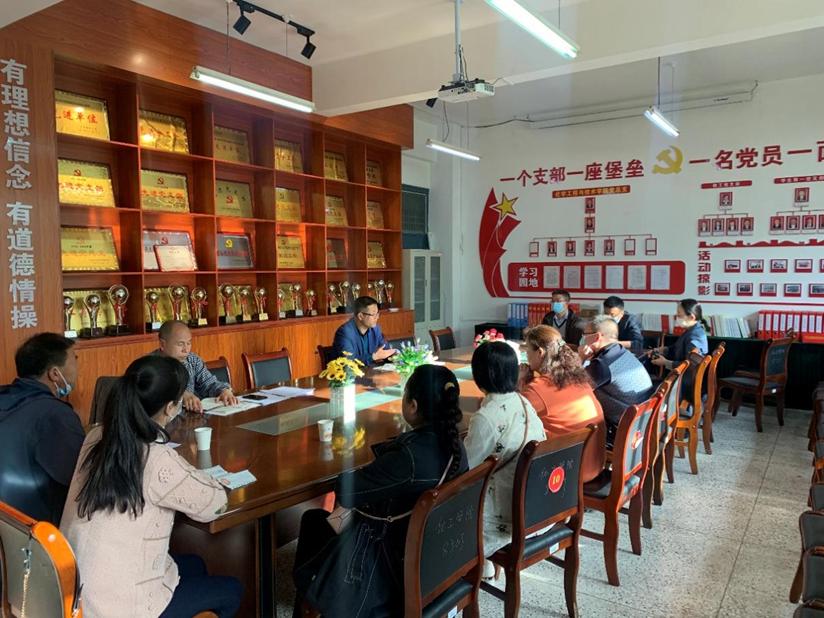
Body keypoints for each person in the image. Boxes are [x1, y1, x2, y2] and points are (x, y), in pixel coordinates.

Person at [60, 355, 241, 618]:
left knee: (195, 564)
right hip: (119, 607)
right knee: (232, 589)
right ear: (170, 408)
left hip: (76, 590)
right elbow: (214, 504)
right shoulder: (156, 458)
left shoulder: (95, 436)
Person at [292, 364, 468, 616]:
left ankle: (313, 599)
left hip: (387, 566)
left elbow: (347, 492)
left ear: (412, 406)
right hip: (435, 559)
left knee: (314, 521)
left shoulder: (408, 458)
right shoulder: (456, 446)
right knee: (319, 522)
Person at [464, 341, 545, 561]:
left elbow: (466, 470)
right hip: (537, 508)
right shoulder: (523, 401)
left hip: (506, 519)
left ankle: (473, 567)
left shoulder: (485, 417)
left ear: (478, 376)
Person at [0, 333, 84, 524]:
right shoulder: (53, 414)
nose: (77, 365)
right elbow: (81, 478)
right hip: (37, 527)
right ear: (55, 374)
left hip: (8, 523)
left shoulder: (5, 397)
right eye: (75, 358)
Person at [518, 325, 605, 482]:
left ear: (540, 352)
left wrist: (520, 382)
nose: (526, 356)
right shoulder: (577, 378)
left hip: (564, 474)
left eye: (527, 351)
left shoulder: (537, 389)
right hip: (594, 463)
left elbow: (513, 417)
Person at [580, 316, 654, 445]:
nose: (583, 338)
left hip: (625, 430)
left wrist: (581, 358)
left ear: (596, 337)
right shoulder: (619, 351)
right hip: (644, 418)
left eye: (585, 334)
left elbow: (575, 388)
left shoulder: (603, 364)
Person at [155, 320, 237, 413]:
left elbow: (209, 383)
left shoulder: (192, 360)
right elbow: (154, 395)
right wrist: (180, 395)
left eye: (189, 343)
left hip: (191, 417)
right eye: (180, 344)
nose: (186, 350)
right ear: (162, 344)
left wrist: (224, 391)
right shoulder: (150, 365)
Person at [331, 296, 396, 366]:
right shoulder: (345, 333)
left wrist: (393, 355)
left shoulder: (375, 329)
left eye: (377, 314)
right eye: (373, 314)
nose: (377, 317)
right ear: (360, 316)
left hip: (371, 371)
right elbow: (349, 362)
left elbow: (385, 351)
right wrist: (373, 357)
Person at [649, 298, 709, 370]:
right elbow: (677, 348)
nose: (676, 317)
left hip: (685, 376)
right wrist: (660, 350)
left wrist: (665, 362)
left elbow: (691, 365)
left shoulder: (695, 337)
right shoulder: (691, 330)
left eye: (679, 315)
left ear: (691, 317)